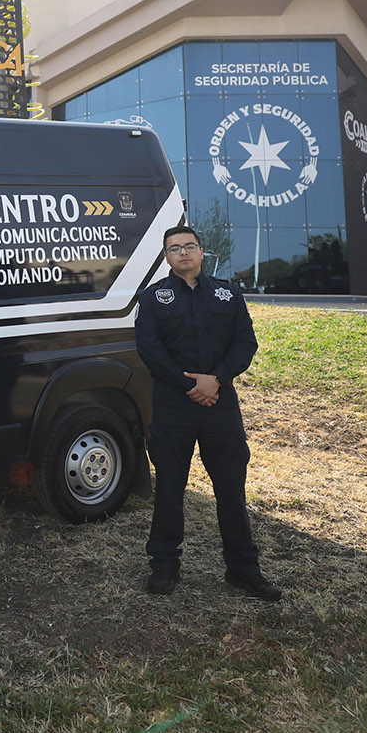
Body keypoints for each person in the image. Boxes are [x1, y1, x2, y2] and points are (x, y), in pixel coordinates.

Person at [133, 225, 281, 601]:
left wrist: (216, 379)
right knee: (169, 489)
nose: (183, 252)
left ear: (201, 252)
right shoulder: (152, 299)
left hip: (220, 406)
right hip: (173, 407)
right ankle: (164, 566)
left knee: (230, 490)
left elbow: (245, 342)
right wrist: (191, 386)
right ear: (166, 257)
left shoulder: (228, 294)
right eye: (174, 248)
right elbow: (150, 351)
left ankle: (243, 570)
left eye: (190, 246)